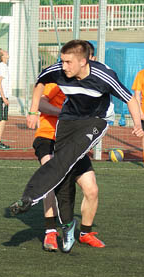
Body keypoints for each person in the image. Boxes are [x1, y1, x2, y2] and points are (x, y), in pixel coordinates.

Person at [8, 40, 144, 253]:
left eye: (68, 62)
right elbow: (40, 81)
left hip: (95, 121)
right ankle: (66, 225)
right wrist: (33, 111)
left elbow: (129, 98)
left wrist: (137, 123)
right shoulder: (58, 71)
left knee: (66, 161)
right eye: (62, 61)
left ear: (84, 61)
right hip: (67, 122)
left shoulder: (104, 76)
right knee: (64, 176)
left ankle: (30, 198)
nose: (63, 66)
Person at [36, 43, 104, 252]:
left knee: (91, 189)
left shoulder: (93, 84)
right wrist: (65, 114)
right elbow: (40, 103)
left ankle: (85, 233)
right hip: (49, 137)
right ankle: (50, 232)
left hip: (73, 142)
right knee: (51, 180)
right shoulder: (61, 78)